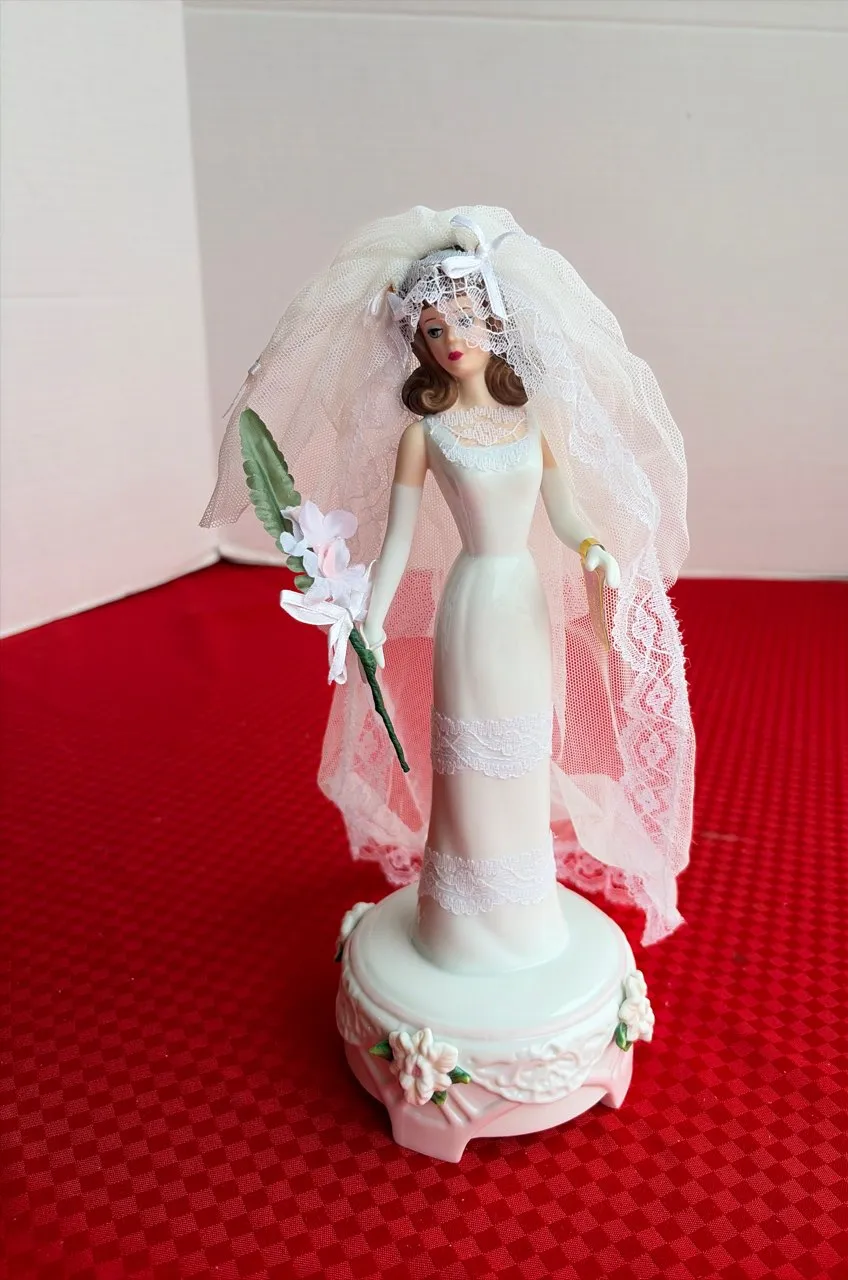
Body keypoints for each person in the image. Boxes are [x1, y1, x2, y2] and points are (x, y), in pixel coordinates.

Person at [203, 206, 694, 954]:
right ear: (419, 343)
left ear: (494, 321)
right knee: (470, 750)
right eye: (434, 329)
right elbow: (397, 541)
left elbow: (566, 515)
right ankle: (464, 907)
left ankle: (522, 900)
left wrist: (595, 548)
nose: (452, 339)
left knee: (521, 743)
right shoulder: (424, 435)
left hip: (522, 599)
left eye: (464, 319)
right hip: (472, 602)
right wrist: (369, 616)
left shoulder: (532, 425)